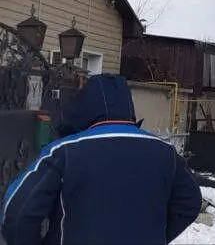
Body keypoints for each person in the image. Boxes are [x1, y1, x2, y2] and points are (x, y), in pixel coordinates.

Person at [1, 73, 203, 245]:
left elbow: (18, 213)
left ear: (83, 108)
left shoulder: (64, 151)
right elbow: (190, 203)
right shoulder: (166, 152)